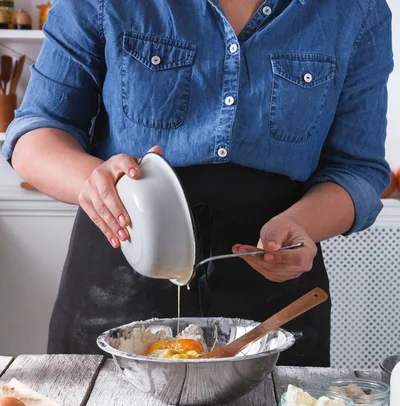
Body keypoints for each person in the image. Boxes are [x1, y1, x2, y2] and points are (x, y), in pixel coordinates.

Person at [3, 0, 393, 365]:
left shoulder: (357, 10)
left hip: (270, 294)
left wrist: (304, 225)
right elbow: (36, 132)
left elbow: (356, 168)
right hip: (120, 272)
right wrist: (93, 180)